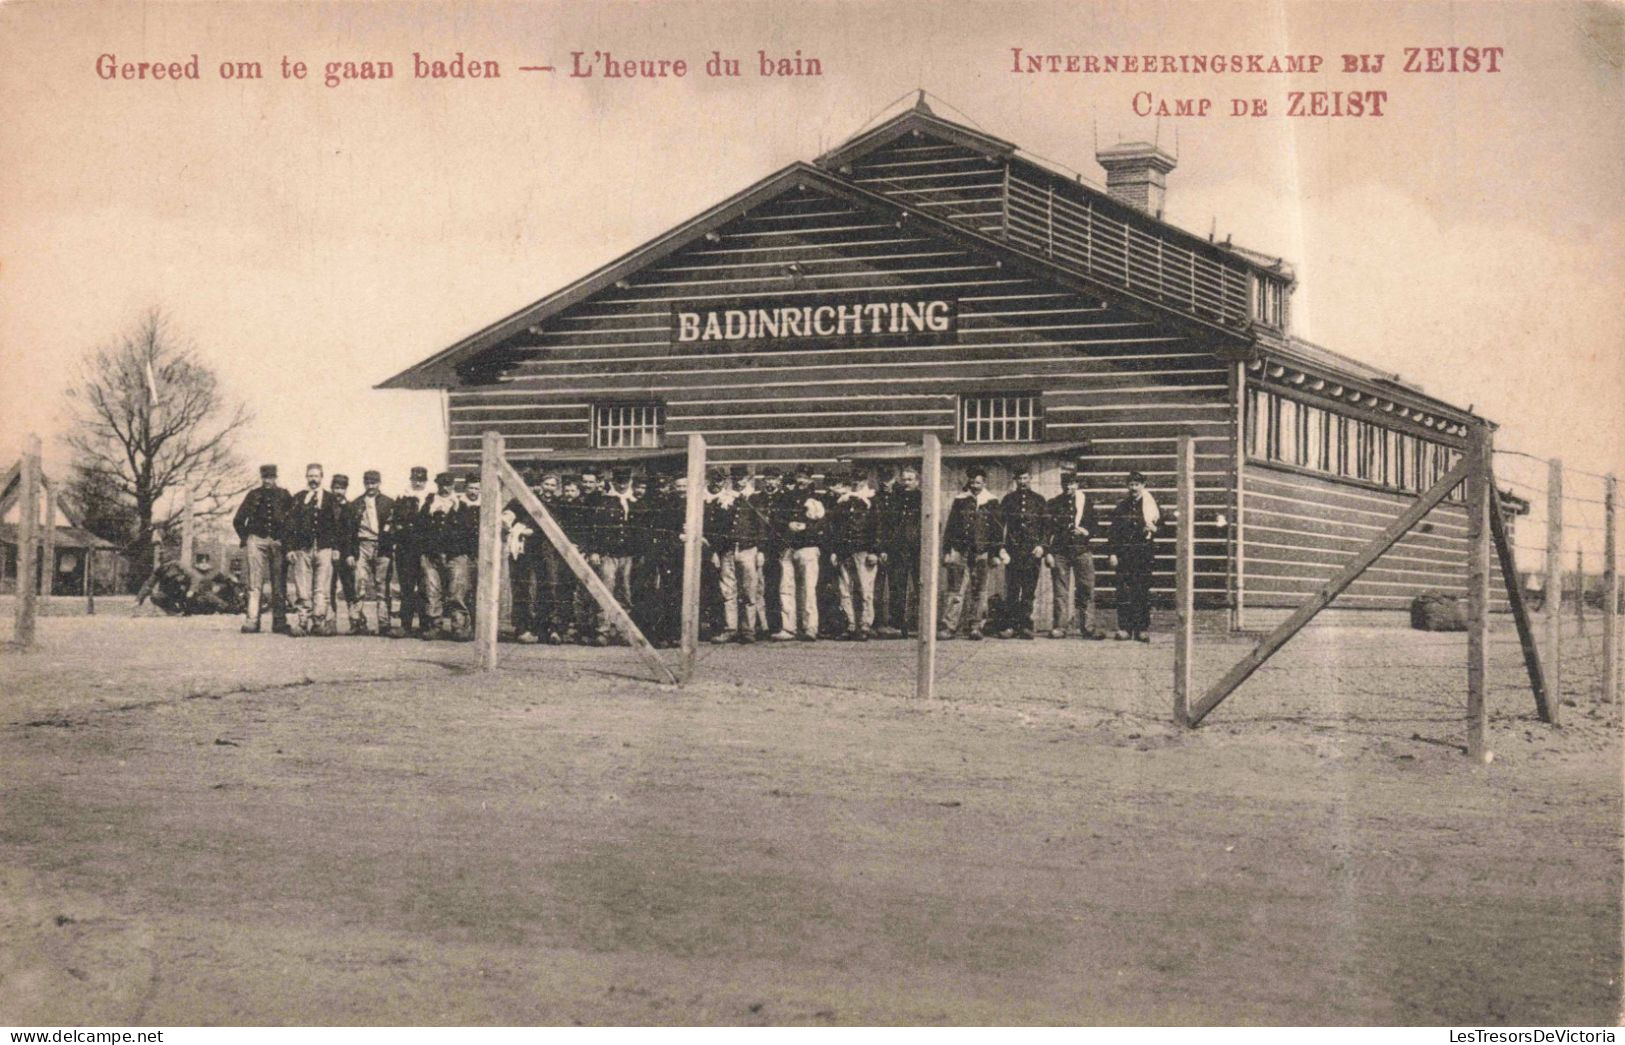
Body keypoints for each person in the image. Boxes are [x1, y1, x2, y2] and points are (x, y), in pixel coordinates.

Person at [940, 465, 1004, 640]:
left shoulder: (992, 501)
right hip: (960, 551)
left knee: (980, 591)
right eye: (972, 482)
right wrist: (947, 550)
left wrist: (995, 553)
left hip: (982, 553)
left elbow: (997, 530)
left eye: (978, 482)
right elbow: (950, 527)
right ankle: (949, 626)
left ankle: (976, 626)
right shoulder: (960, 500)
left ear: (984, 483)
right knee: (955, 591)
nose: (974, 486)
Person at [283, 462, 345, 636]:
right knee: (302, 588)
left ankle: (318, 622)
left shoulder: (331, 499)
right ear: (306, 477)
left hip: (324, 548)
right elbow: (289, 525)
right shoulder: (298, 498)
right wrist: (289, 549)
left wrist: (336, 547)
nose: (313, 479)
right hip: (302, 549)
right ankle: (302, 622)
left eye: (316, 476)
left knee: (321, 588)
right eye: (310, 476)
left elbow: (338, 525)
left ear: (321, 477)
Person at [232, 463, 291, 634]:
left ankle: (279, 622)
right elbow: (238, 519)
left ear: (276, 478)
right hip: (256, 541)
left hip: (278, 542)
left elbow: (293, 520)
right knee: (254, 583)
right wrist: (247, 538)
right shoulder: (253, 495)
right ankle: (252, 621)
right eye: (265, 477)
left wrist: (286, 540)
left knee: (279, 582)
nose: (268, 481)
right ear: (261, 478)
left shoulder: (284, 495)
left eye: (271, 477)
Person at [1046, 468, 1104, 639]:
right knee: (1060, 590)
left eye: (1071, 484)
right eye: (1065, 484)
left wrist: (1085, 531)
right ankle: (1060, 627)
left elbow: (1095, 526)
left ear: (1076, 484)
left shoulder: (1087, 502)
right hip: (1060, 552)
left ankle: (1088, 627)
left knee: (1086, 588)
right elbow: (1048, 529)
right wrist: (1049, 552)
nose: (1068, 487)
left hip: (1082, 551)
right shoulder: (1054, 503)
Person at [1108, 470, 1162, 643]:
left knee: (1141, 591)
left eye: (1137, 484)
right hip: (1124, 556)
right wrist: (1113, 553)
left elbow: (1164, 527)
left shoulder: (1152, 507)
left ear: (1143, 486)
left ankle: (1141, 629)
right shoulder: (1121, 507)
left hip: (1143, 556)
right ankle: (1124, 628)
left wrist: (1156, 530)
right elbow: (1113, 533)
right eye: (1131, 484)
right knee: (1123, 592)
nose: (1134, 488)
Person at [998, 463, 1049, 640]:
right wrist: (1002, 548)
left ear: (1030, 479)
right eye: (1019, 478)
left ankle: (1025, 626)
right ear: (1015, 480)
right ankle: (1011, 625)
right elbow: (999, 525)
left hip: (1032, 551)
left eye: (1025, 478)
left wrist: (1042, 546)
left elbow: (1045, 527)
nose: (1022, 482)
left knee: (1028, 590)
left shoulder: (1039, 500)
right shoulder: (1008, 500)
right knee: (1012, 588)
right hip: (1013, 551)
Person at [828, 470, 879, 640]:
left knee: (865, 590)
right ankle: (849, 625)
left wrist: (875, 551)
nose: (857, 483)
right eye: (854, 480)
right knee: (844, 590)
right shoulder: (843, 502)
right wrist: (835, 550)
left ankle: (865, 625)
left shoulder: (872, 501)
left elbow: (879, 528)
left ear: (866, 481)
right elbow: (835, 529)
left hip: (863, 551)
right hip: (844, 551)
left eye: (861, 480)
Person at [345, 469, 394, 636]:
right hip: (362, 546)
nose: (371, 486)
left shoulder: (388, 502)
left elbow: (392, 526)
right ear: (364, 483)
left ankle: (384, 623)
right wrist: (351, 553)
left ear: (379, 483)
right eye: (368, 482)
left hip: (382, 547)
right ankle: (357, 622)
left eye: (374, 482)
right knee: (359, 584)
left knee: (382, 585)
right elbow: (350, 531)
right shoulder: (356, 503)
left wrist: (389, 545)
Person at [875, 464, 922, 638]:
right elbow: (886, 526)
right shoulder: (894, 499)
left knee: (920, 586)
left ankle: (919, 623)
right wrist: (884, 549)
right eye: (904, 479)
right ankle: (897, 624)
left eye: (910, 479)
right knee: (897, 587)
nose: (906, 482)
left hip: (917, 549)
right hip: (897, 549)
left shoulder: (923, 498)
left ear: (917, 481)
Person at [593, 467, 638, 643]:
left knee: (625, 591)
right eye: (618, 481)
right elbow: (596, 528)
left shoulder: (635, 501)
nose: (622, 484)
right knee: (606, 589)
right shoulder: (603, 501)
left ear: (630, 481)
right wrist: (595, 550)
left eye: (625, 481)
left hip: (629, 554)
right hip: (608, 553)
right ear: (613, 481)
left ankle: (623, 630)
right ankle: (603, 630)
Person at [780, 465, 826, 641]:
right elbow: (777, 519)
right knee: (786, 588)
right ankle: (788, 627)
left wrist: (807, 527)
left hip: (808, 547)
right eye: (799, 477)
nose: (801, 480)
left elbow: (823, 525)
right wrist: (787, 525)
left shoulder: (817, 499)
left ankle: (810, 627)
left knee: (808, 589)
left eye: (805, 477)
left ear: (810, 479)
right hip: (788, 547)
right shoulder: (786, 498)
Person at [417, 470, 463, 639]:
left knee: (456, 590)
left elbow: (466, 531)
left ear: (453, 486)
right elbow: (419, 527)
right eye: (441, 485)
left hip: (455, 555)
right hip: (431, 555)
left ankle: (459, 626)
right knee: (432, 590)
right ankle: (434, 625)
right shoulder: (429, 503)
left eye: (448, 485)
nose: (445, 488)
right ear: (437, 486)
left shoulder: (461, 504)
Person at [387, 466, 430, 637]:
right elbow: (394, 521)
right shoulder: (402, 496)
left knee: (425, 586)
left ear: (425, 481)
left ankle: (426, 626)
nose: (418, 482)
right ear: (411, 479)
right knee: (407, 587)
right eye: (415, 479)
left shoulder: (431, 498)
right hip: (406, 548)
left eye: (421, 479)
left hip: (424, 548)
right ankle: (405, 624)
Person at [326, 473, 360, 631]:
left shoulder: (351, 508)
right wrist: (333, 548)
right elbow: (325, 531)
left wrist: (352, 554)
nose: (338, 491)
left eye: (341, 488)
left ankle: (355, 621)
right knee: (329, 587)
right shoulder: (325, 506)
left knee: (349, 586)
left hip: (346, 554)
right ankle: (330, 622)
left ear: (346, 489)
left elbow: (353, 534)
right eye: (335, 487)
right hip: (329, 552)